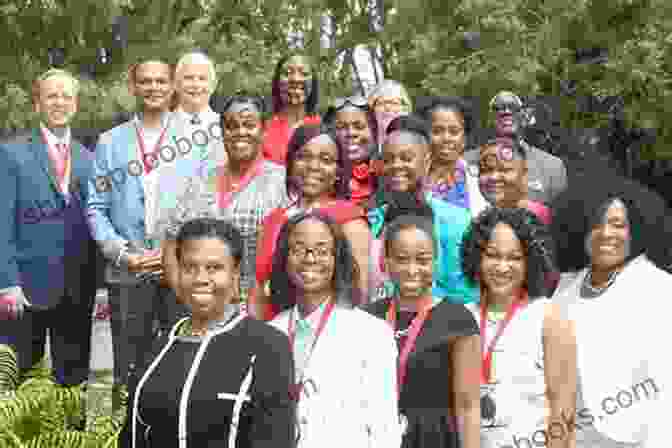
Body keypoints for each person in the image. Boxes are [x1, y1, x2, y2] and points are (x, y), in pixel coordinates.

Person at [119, 218, 295, 448]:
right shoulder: (159, 345)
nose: (201, 279)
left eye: (214, 268)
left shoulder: (268, 345)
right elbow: (132, 436)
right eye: (190, 267)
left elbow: (275, 439)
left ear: (235, 275)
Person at [87, 59, 189, 409]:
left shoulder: (196, 139)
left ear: (172, 86)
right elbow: (96, 208)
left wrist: (173, 254)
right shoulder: (109, 142)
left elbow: (204, 204)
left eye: (161, 81)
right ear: (134, 87)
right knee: (128, 370)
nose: (153, 88)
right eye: (145, 81)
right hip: (127, 271)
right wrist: (121, 253)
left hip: (178, 271)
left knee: (180, 362)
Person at [0, 69, 100, 423]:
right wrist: (6, 281)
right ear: (37, 102)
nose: (59, 102)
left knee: (73, 381)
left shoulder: (89, 157)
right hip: (24, 289)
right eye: (51, 95)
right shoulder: (11, 154)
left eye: (66, 96)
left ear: (75, 104)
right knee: (22, 381)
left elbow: (95, 223)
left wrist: (99, 284)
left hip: (77, 287)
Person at [550, 172, 670, 447]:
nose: (606, 233)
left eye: (618, 225)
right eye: (597, 223)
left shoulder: (659, 289)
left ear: (635, 230)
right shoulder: (566, 288)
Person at [267, 211, 401, 448]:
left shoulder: (371, 333)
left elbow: (384, 428)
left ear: (337, 259)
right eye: (299, 249)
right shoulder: (270, 332)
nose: (310, 259)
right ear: (285, 259)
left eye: (321, 250)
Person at [364, 197, 480, 448]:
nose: (412, 269)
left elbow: (468, 405)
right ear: (386, 262)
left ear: (436, 262)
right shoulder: (367, 318)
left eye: (423, 259)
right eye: (402, 258)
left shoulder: (457, 320)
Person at [460, 206, 575, 448]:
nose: (502, 267)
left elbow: (562, 411)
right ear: (477, 255)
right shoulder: (461, 318)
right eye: (493, 255)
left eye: (514, 258)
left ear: (530, 261)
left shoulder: (548, 318)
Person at [160, 94, 289, 308]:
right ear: (222, 131)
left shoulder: (282, 182)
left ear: (264, 129)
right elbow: (172, 243)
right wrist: (185, 297)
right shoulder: (201, 181)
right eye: (231, 126)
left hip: (257, 311)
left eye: (249, 125)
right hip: (201, 311)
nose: (240, 132)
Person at [252, 124, 370, 318]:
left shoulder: (350, 220)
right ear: (290, 164)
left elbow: (358, 295)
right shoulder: (272, 221)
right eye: (303, 157)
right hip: (272, 332)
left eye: (325, 160)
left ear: (338, 171)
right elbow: (258, 292)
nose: (313, 166)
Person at [368, 115, 478, 304]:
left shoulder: (457, 222)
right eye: (388, 159)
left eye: (406, 158)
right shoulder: (371, 221)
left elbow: (467, 297)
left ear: (426, 163)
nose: (396, 166)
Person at [464, 91, 567, 205]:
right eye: (498, 108)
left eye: (513, 108)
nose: (506, 111)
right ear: (490, 118)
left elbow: (560, 218)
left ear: (525, 116)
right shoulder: (466, 162)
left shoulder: (552, 167)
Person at [416, 96, 486, 215]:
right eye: (437, 131)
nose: (446, 138)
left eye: (454, 132)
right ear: (425, 135)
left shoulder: (479, 180)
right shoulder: (414, 178)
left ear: (464, 138)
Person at [476, 137, 552, 225]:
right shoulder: (479, 220)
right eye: (486, 171)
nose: (493, 177)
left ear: (524, 174)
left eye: (504, 170)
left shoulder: (543, 218)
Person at [262, 54, 321, 165]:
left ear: (313, 82)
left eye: (304, 73)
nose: (295, 79)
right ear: (277, 82)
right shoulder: (261, 129)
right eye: (287, 73)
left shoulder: (325, 129)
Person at [323, 95, 379, 206]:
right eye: (340, 127)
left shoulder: (388, 175)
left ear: (373, 131)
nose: (350, 133)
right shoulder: (318, 177)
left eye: (359, 126)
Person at [172, 51, 225, 167]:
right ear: (176, 84)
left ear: (213, 85)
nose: (196, 85)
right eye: (189, 78)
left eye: (202, 78)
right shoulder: (160, 127)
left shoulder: (229, 127)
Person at [368, 80, 412, 155]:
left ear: (405, 108)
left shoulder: (414, 139)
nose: (388, 108)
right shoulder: (365, 143)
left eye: (394, 103)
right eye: (381, 103)